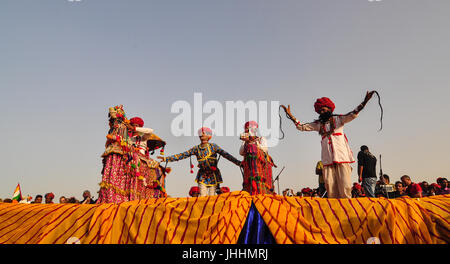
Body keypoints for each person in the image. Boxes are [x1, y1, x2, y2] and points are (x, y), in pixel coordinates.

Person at [281, 91, 375, 198]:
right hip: (328, 160)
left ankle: (347, 213)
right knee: (330, 189)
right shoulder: (318, 124)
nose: (322, 112)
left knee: (345, 188)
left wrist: (365, 101)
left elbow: (353, 114)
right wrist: (290, 116)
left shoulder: (339, 119)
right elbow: (302, 126)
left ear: (329, 110)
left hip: (342, 158)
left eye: (324, 109)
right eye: (320, 110)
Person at [158, 127, 242, 197]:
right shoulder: (196, 148)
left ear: (209, 135)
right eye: (200, 133)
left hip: (213, 174)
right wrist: (167, 159)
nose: (201, 135)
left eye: (204, 133)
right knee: (202, 196)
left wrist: (238, 163)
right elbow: (183, 155)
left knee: (212, 196)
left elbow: (226, 155)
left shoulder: (213, 147)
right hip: (202, 175)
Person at [239, 121, 276, 195]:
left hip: (261, 163)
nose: (249, 129)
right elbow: (241, 152)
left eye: (250, 127)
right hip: (249, 165)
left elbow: (265, 149)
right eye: (247, 128)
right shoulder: (245, 140)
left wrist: (255, 143)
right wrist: (247, 141)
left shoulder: (261, 139)